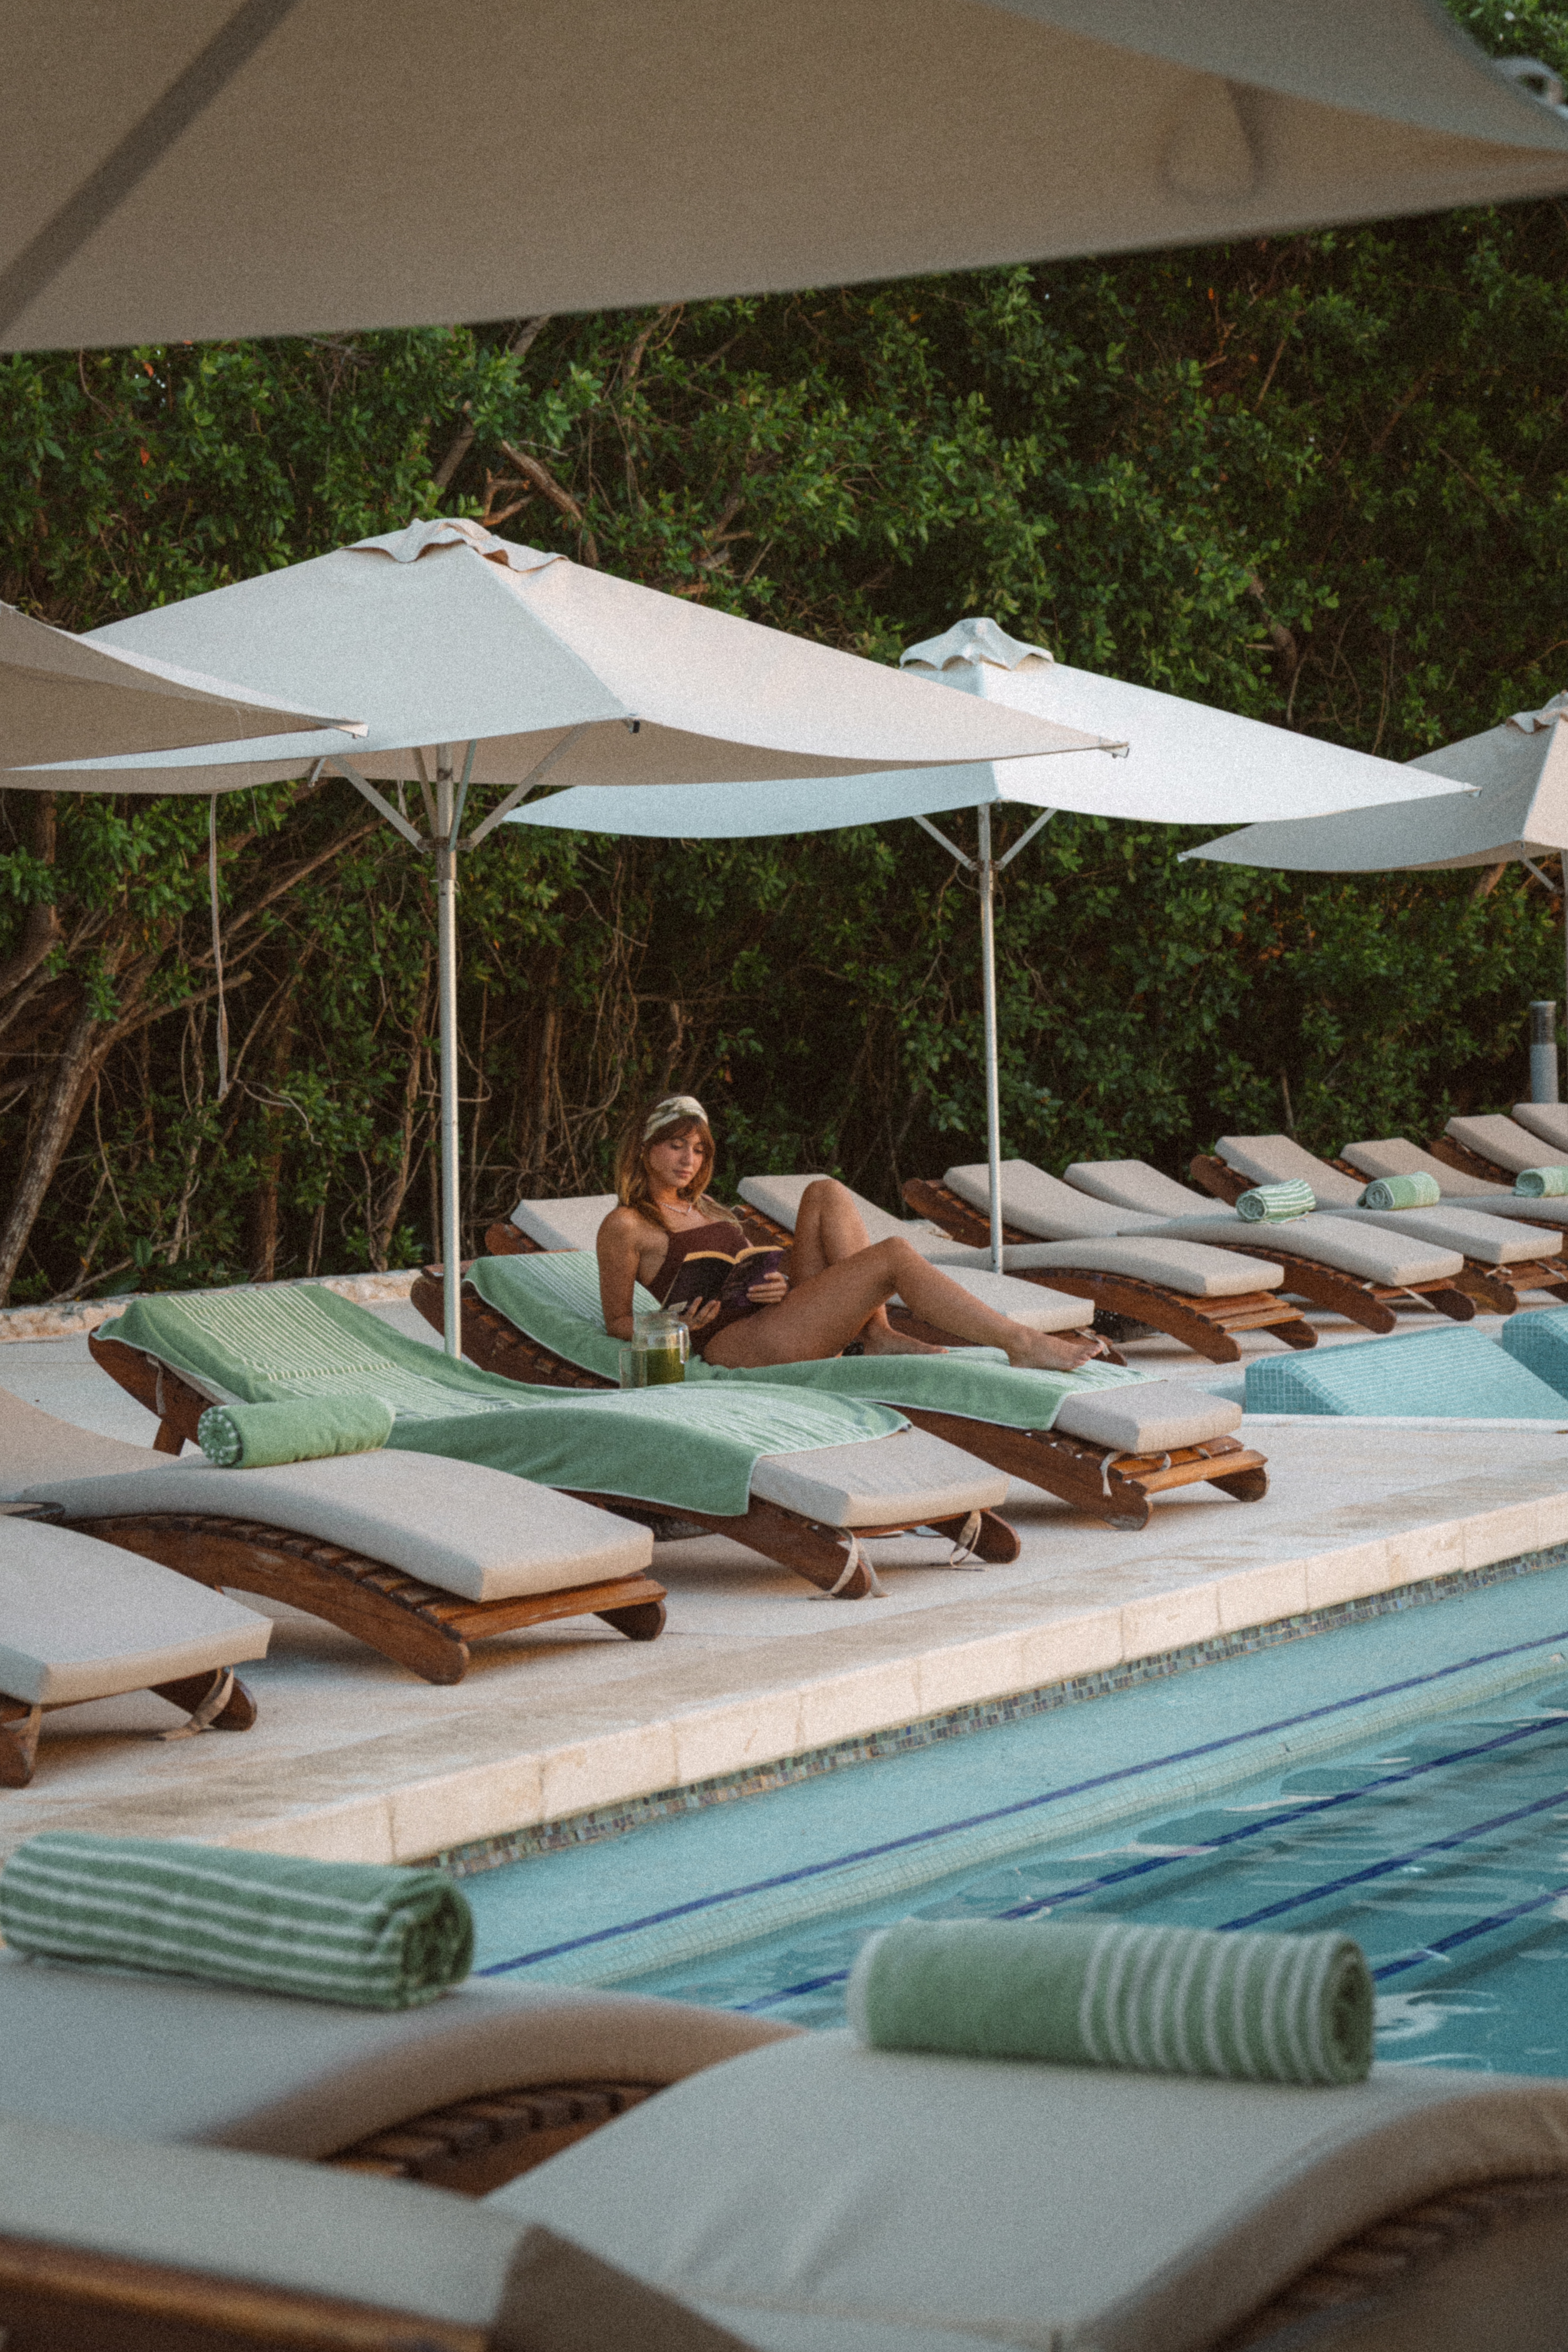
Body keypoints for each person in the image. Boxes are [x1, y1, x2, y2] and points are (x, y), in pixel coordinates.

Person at [596, 1094, 1109, 1373]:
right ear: (645, 1150)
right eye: (676, 1147)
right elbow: (617, 1319)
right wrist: (669, 1321)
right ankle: (1019, 1342)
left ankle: (879, 1333)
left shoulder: (709, 1207)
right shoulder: (626, 1224)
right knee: (892, 1255)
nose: (690, 1159)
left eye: (699, 1149)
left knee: (826, 1191)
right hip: (731, 1341)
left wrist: (776, 1285)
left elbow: (752, 1269)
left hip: (775, 1315)